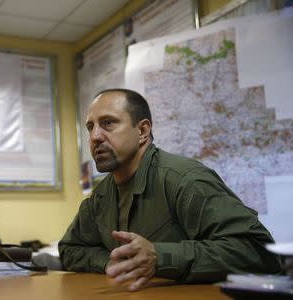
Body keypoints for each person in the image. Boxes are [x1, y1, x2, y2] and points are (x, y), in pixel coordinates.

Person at [58, 88, 282, 291]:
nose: (95, 136)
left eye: (108, 123)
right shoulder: (101, 195)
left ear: (143, 131)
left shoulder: (184, 179)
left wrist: (159, 257)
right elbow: (70, 248)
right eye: (90, 127)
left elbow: (260, 252)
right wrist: (108, 261)